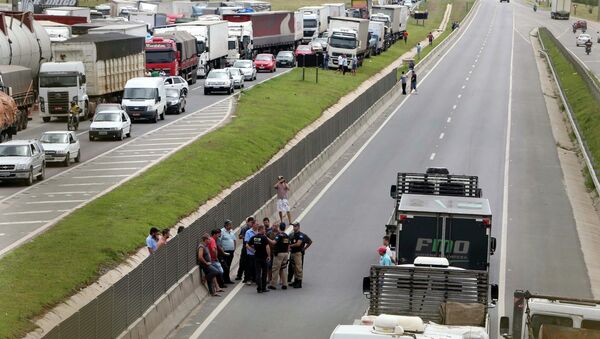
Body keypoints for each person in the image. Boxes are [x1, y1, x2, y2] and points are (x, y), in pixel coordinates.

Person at [247, 224, 271, 293]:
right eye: (264, 229)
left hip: (256, 257)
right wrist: (269, 256)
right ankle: (263, 288)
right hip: (264, 258)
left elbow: (247, 245)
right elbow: (267, 247)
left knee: (258, 273)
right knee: (264, 273)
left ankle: (259, 288)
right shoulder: (264, 238)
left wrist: (253, 250)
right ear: (261, 229)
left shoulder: (254, 237)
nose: (265, 231)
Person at [289, 222, 312, 288]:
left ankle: (299, 282)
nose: (294, 228)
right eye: (293, 226)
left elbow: (300, 243)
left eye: (295, 226)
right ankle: (296, 280)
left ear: (298, 227)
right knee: (294, 268)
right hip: (292, 253)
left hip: (298, 253)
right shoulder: (292, 235)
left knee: (298, 268)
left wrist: (304, 248)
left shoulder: (301, 235)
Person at [269, 223, 290, 290]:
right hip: (285, 254)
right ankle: (285, 284)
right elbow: (289, 245)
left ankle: (273, 285)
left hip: (279, 254)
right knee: (283, 269)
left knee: (275, 269)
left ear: (279, 228)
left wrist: (266, 238)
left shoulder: (279, 235)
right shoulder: (286, 236)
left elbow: (273, 242)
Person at [236, 216, 254, 281]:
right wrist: (246, 236)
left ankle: (248, 276)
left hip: (251, 247)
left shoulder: (253, 229)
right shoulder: (245, 228)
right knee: (243, 261)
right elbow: (240, 236)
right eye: (251, 222)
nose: (252, 224)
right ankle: (239, 275)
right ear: (248, 222)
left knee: (249, 262)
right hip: (245, 246)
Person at [220, 220, 236, 284]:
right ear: (226, 225)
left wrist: (234, 248)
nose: (231, 226)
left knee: (228, 265)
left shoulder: (231, 231)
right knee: (225, 266)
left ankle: (227, 279)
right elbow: (219, 241)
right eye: (230, 225)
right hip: (225, 252)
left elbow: (234, 239)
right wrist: (222, 250)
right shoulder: (222, 231)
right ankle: (223, 279)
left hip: (231, 251)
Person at [243, 219, 258, 285]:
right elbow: (247, 243)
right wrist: (253, 247)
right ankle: (248, 279)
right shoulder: (248, 232)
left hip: (258, 252)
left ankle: (255, 279)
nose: (257, 225)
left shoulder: (258, 232)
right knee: (249, 266)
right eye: (256, 224)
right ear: (253, 224)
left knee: (256, 267)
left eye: (258, 224)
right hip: (250, 252)